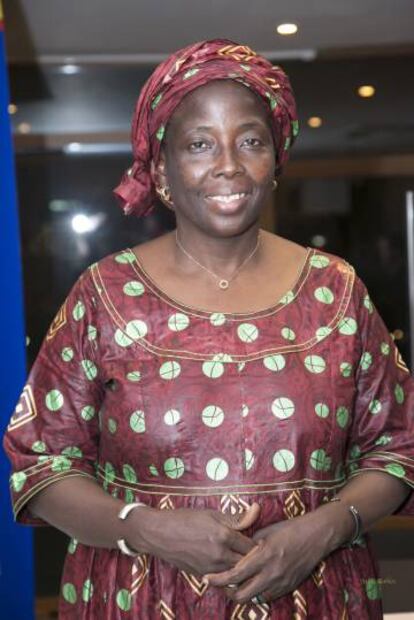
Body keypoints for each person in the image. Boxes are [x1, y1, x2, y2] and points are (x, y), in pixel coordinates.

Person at [4, 39, 414, 620]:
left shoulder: (336, 290)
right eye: (199, 144)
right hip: (138, 599)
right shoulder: (103, 294)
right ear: (160, 167)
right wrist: (145, 529)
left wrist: (322, 530)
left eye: (250, 141)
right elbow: (42, 463)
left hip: (321, 596)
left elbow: (399, 449)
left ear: (276, 161)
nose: (228, 164)